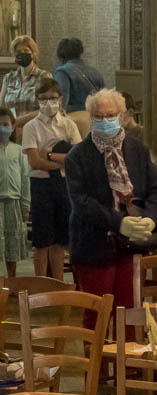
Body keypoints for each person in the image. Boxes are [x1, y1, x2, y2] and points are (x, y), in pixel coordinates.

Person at [64, 89, 157, 307]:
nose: (105, 120)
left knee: (130, 313)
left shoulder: (137, 149)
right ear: (91, 118)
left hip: (133, 245)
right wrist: (120, 223)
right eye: (99, 116)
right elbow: (81, 203)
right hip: (94, 247)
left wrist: (151, 218)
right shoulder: (77, 156)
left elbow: (156, 189)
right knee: (97, 315)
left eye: (111, 115)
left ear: (122, 116)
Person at [21, 77, 78, 279]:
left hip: (63, 184)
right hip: (41, 185)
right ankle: (41, 284)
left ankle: (58, 283)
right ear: (37, 100)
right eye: (43, 99)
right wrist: (62, 161)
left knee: (60, 240)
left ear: (60, 99)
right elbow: (35, 162)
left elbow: (76, 158)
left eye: (53, 98)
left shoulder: (69, 125)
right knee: (42, 240)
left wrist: (51, 155)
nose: (48, 103)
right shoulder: (31, 127)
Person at [2, 35, 51, 137]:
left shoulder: (44, 76)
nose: (22, 54)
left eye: (26, 50)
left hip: (36, 130)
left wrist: (19, 120)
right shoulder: (8, 78)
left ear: (33, 53)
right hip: (11, 132)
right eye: (18, 52)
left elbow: (48, 108)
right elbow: (1, 106)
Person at [53, 37, 104, 134]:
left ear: (61, 55)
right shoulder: (95, 72)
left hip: (76, 123)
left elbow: (61, 101)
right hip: (96, 121)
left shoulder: (62, 72)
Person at [0, 108, 29, 276]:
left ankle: (12, 280)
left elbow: (25, 179)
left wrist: (25, 206)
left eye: (5, 124)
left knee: (12, 243)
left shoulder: (18, 151)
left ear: (12, 127)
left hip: (14, 203)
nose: (2, 128)